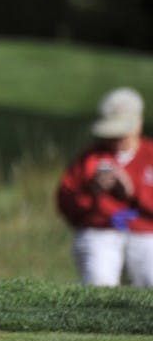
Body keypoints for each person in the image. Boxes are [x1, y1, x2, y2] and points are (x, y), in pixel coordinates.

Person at [56, 87, 153, 286]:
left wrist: (133, 192)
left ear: (138, 125)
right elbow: (65, 202)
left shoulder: (149, 155)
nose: (116, 139)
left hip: (146, 233)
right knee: (99, 279)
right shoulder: (90, 158)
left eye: (121, 133)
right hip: (101, 230)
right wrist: (91, 192)